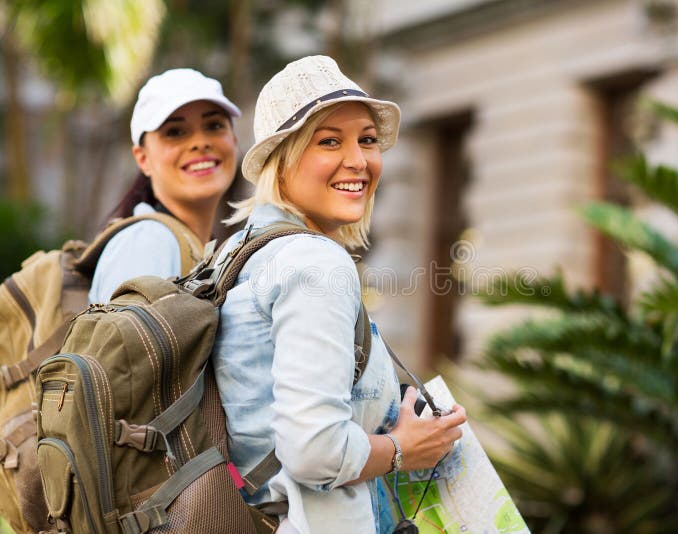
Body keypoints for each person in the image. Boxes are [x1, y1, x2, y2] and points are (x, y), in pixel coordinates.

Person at [212, 55, 468, 534]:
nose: (359, 161)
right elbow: (313, 449)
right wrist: (403, 450)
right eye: (329, 141)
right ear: (279, 162)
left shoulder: (235, 253)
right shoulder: (313, 264)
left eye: (367, 140)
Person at [88, 68, 241, 304]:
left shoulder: (196, 246)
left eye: (214, 125)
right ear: (143, 159)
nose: (200, 143)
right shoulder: (147, 243)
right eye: (175, 132)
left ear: (234, 139)